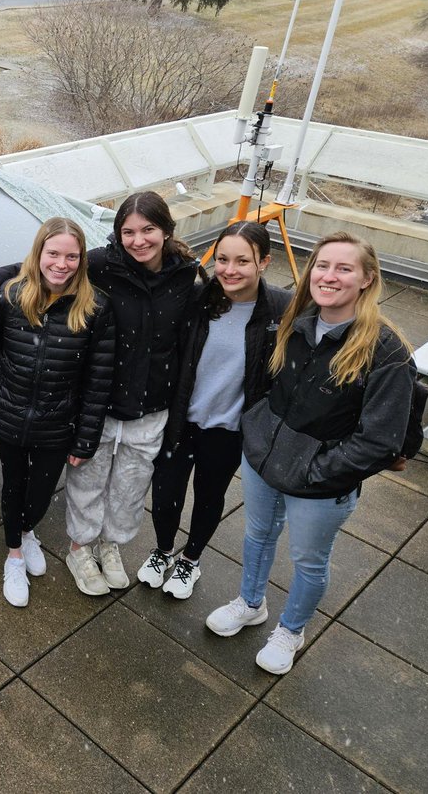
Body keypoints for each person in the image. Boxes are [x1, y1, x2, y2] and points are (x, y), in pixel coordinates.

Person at [206, 231, 416, 675]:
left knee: (308, 559)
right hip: (265, 460)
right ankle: (250, 602)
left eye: (344, 268)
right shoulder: (297, 320)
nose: (329, 276)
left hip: (320, 484)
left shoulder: (385, 351)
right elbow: (270, 380)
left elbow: (379, 440)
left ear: (367, 279)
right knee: (257, 536)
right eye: (323, 266)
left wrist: (319, 472)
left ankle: (291, 629)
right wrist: (257, 430)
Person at [0, 191, 200, 597]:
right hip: (99, 401)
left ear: (167, 231)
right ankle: (78, 547)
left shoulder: (185, 277)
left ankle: (110, 546)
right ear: (117, 235)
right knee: (86, 483)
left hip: (151, 404)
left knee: (130, 488)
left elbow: (189, 345)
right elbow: (53, 262)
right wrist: (1, 272)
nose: (138, 240)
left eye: (148, 230)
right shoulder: (104, 263)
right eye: (128, 231)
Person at [139, 221, 291, 600]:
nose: (229, 269)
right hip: (182, 420)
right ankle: (163, 551)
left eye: (243, 261)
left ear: (265, 262)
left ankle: (190, 559)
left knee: (210, 496)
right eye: (222, 259)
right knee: (165, 494)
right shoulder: (198, 299)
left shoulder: (280, 309)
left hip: (228, 429)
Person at [0, 218, 116, 607]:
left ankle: (29, 528)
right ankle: (13, 553)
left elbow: (98, 380)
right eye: (53, 253)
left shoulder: (95, 308)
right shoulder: (11, 296)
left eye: (72, 256)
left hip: (58, 420)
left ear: (82, 259)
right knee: (13, 484)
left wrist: (86, 437)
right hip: (11, 411)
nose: (61, 264)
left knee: (41, 491)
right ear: (38, 254)